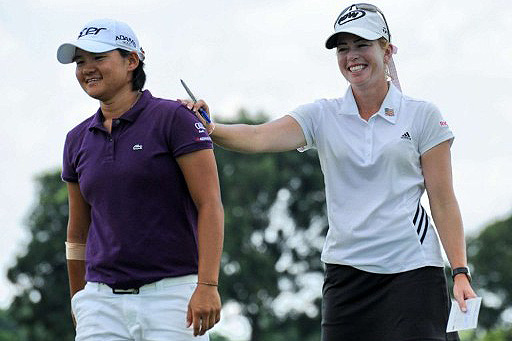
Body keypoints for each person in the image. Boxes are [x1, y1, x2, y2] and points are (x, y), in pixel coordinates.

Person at [181, 3, 476, 341]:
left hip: (411, 270)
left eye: (362, 44)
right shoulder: (323, 115)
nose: (352, 56)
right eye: (343, 48)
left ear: (386, 49)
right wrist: (209, 127)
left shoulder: (422, 115)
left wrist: (460, 272)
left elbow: (443, 200)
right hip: (346, 274)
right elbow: (258, 136)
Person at [58, 18, 224, 340]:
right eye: (80, 62)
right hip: (100, 304)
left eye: (98, 58)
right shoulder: (76, 139)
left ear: (132, 61)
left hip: (174, 298)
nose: (86, 69)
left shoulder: (174, 118)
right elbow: (77, 230)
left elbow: (210, 204)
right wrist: (78, 298)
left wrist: (208, 285)